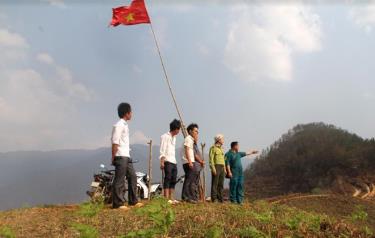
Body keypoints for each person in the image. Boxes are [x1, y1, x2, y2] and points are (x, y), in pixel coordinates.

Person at [111, 102, 143, 210]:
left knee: (133, 176)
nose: (132, 114)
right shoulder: (119, 125)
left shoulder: (125, 125)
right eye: (131, 112)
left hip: (127, 155)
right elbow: (115, 142)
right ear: (127, 113)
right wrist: (114, 156)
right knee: (119, 179)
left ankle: (133, 201)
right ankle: (118, 203)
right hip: (120, 155)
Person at [159, 119, 181, 204]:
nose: (178, 131)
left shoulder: (174, 138)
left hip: (173, 161)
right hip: (167, 160)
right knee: (167, 179)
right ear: (175, 129)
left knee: (173, 179)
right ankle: (166, 198)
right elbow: (162, 150)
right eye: (178, 129)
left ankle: (172, 198)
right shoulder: (165, 136)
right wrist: (162, 161)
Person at [181, 123, 200, 203]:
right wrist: (190, 162)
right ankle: (186, 197)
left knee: (190, 180)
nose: (197, 133)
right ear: (190, 131)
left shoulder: (191, 140)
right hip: (189, 162)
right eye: (195, 131)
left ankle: (190, 197)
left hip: (189, 161)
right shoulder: (188, 138)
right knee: (189, 180)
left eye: (197, 131)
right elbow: (187, 149)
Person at [209, 134, 226, 203]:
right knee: (215, 183)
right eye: (222, 139)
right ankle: (214, 199)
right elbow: (211, 159)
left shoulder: (221, 149)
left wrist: (224, 169)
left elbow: (223, 160)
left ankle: (220, 199)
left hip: (222, 167)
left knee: (221, 184)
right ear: (218, 140)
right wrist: (213, 168)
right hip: (216, 166)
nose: (223, 140)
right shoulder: (213, 148)